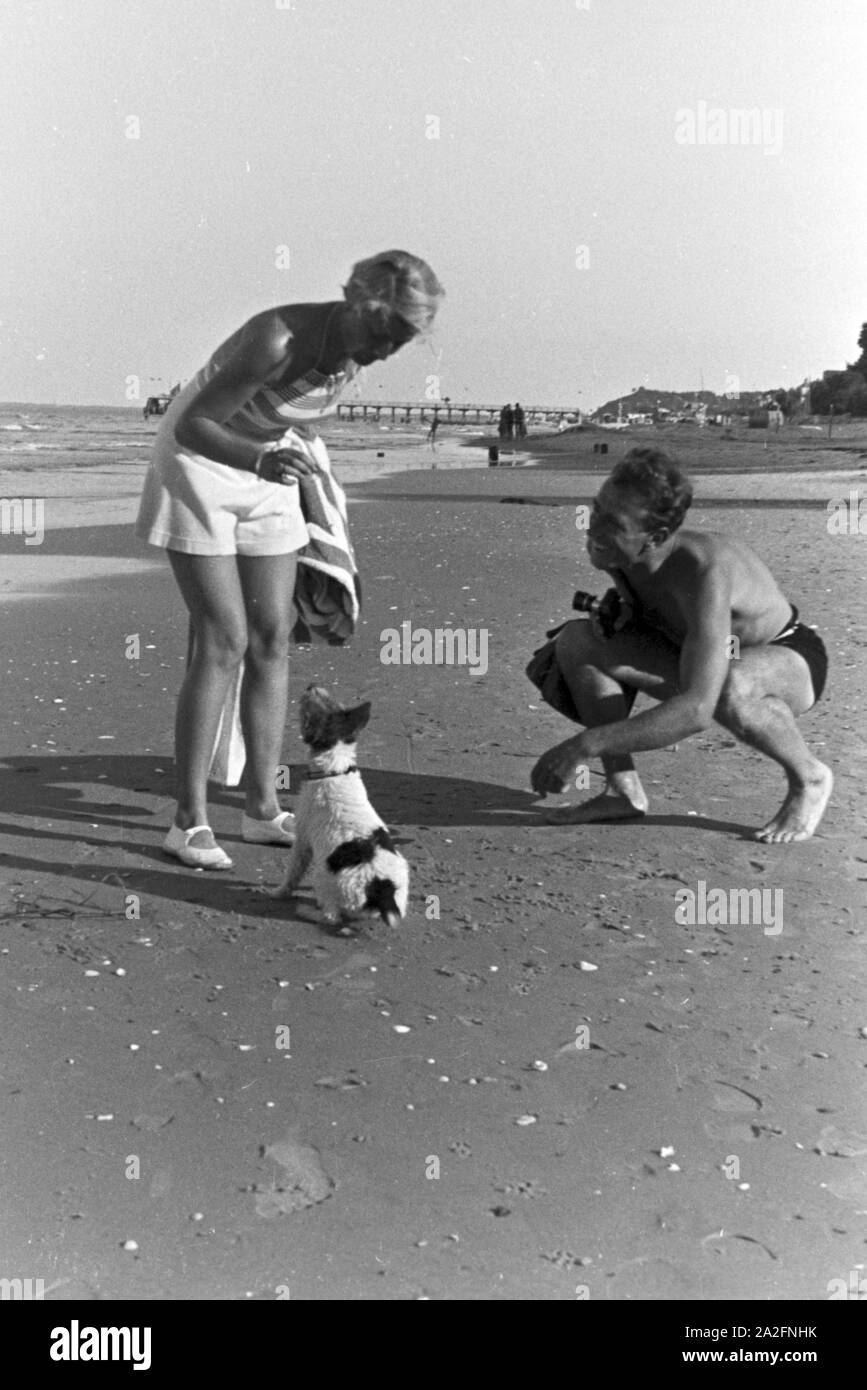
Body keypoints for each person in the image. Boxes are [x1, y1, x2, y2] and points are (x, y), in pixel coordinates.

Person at [135, 250, 444, 868]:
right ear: (358, 305)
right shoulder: (277, 338)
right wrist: (259, 462)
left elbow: (285, 415)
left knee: (272, 639)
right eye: (383, 334)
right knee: (222, 638)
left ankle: (259, 809)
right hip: (200, 468)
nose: (385, 353)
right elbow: (193, 424)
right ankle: (188, 822)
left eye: (402, 342)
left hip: (267, 468)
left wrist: (294, 473)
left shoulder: (353, 350)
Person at [530, 448, 832, 843]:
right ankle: (622, 791)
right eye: (596, 509)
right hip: (703, 648)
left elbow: (696, 710)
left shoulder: (705, 569)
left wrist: (583, 746)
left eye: (612, 522)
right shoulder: (619, 554)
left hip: (787, 654)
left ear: (654, 537)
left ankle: (808, 777)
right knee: (578, 641)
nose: (592, 528)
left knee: (728, 684)